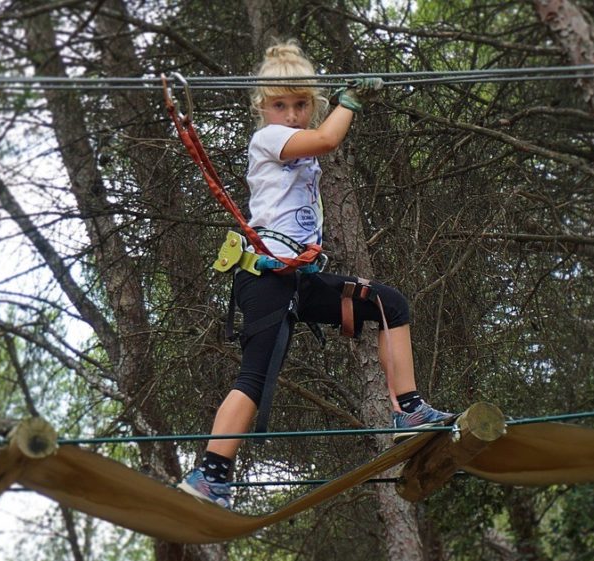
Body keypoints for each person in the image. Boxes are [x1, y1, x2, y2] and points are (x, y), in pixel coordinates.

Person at [178, 40, 451, 509]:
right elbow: (326, 139)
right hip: (264, 276)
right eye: (279, 105)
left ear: (312, 103)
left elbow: (319, 143)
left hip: (297, 279)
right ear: (262, 109)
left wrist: (339, 102)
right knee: (256, 375)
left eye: (301, 104)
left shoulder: (298, 144)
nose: (291, 113)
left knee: (390, 304)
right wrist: (349, 102)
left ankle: (408, 410)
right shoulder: (268, 139)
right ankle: (210, 473)